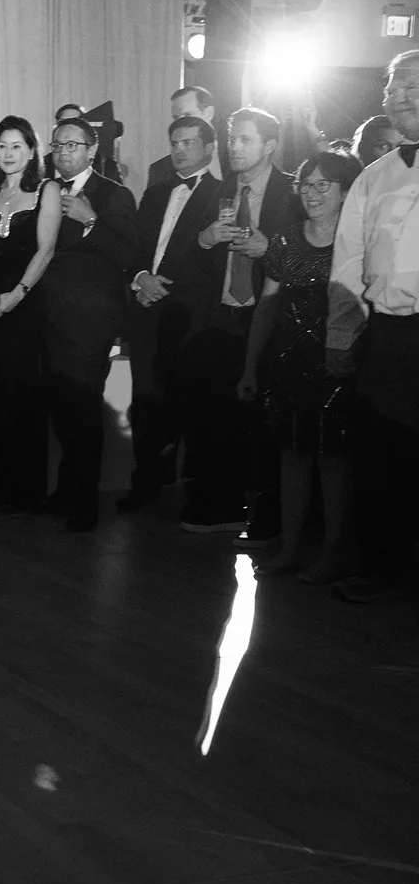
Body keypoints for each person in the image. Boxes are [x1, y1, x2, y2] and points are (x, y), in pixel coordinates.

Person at [237, 152, 361, 581]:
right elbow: (267, 308)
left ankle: (332, 554)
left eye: (323, 184)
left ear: (346, 191)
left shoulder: (357, 239)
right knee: (292, 457)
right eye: (306, 184)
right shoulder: (286, 241)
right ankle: (290, 549)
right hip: (289, 364)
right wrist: (250, 366)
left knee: (334, 462)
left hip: (339, 364)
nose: (312, 193)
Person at [326, 49, 419, 603]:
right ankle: (379, 566)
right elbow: (347, 262)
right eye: (391, 87)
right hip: (388, 335)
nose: (397, 96)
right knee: (382, 454)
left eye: (409, 85)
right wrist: (341, 338)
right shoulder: (373, 176)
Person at [182, 107, 300, 538]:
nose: (234, 147)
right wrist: (205, 238)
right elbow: (194, 258)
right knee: (218, 413)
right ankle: (224, 504)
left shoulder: (292, 192)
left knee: (266, 421)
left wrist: (270, 250)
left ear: (269, 145)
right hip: (222, 315)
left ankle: (271, 515)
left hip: (270, 316)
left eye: (245, 139)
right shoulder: (221, 190)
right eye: (232, 138)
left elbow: (310, 257)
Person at [122, 116, 221, 512]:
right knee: (144, 400)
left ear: (209, 148)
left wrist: (162, 286)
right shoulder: (155, 192)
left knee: (187, 402)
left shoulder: (221, 194)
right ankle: (145, 482)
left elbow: (209, 264)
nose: (178, 150)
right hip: (146, 308)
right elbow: (135, 247)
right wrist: (141, 278)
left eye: (188, 143)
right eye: (174, 143)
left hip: (190, 314)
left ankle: (193, 490)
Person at [43, 117, 137, 531]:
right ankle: (67, 489)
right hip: (49, 316)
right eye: (57, 145)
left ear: (91, 150)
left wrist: (90, 220)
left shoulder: (114, 194)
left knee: (82, 409)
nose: (63, 153)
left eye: (72, 145)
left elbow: (126, 254)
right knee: (61, 410)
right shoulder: (46, 190)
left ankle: (85, 501)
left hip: (90, 321)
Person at [0, 116, 61, 513]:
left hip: (27, 306)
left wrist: (16, 295)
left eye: (16, 146)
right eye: (2, 146)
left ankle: (26, 491)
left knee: (24, 397)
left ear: (31, 150)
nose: (8, 154)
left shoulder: (47, 189)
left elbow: (46, 250)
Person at [148, 86, 222, 189]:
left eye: (187, 115)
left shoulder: (234, 158)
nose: (180, 122)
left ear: (208, 113)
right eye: (176, 117)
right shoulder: (160, 170)